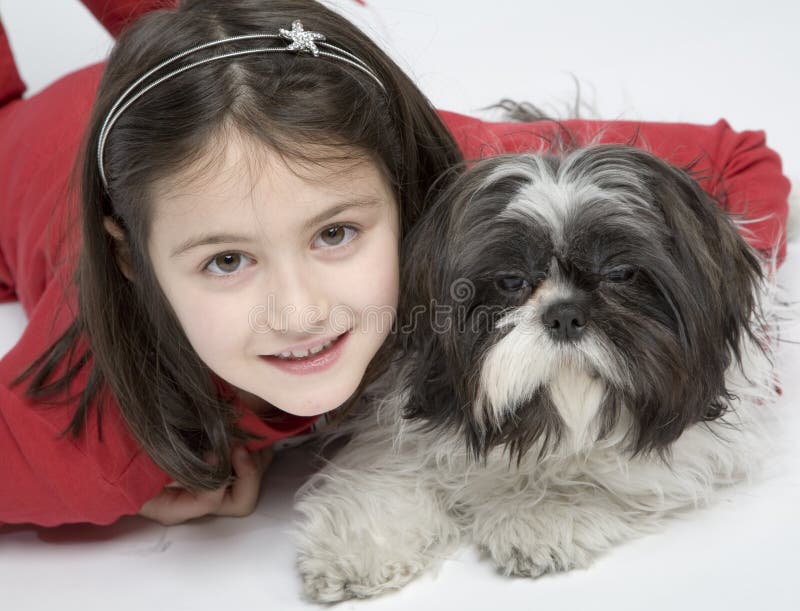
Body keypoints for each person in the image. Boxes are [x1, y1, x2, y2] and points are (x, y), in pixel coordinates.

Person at [0, 0, 790, 528]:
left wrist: (689, 326)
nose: (300, 310)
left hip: (221, 74)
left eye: (337, 234)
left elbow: (743, 161)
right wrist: (162, 469)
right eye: (228, 260)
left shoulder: (476, 184)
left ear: (409, 187)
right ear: (132, 266)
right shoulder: (90, 431)